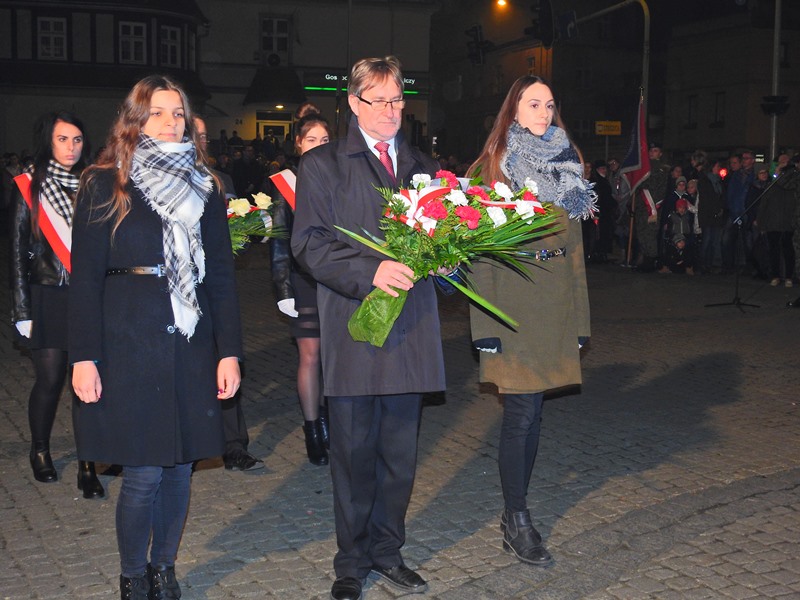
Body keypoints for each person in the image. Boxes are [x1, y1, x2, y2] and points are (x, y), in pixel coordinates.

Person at [70, 75, 243, 599]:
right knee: (144, 473)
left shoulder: (205, 185)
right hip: (129, 344)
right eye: (158, 112)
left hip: (190, 342)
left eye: (178, 112)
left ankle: (164, 567)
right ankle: (132, 573)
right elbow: (85, 278)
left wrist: (229, 352)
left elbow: (221, 277)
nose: (171, 122)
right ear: (136, 119)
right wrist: (84, 356)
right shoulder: (105, 183)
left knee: (181, 471)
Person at [291, 56, 444, 600]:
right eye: (378, 100)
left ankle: (388, 551)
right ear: (354, 104)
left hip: (411, 331)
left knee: (399, 459)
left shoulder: (425, 169)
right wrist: (369, 272)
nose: (390, 110)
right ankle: (351, 562)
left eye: (397, 99)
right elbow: (308, 243)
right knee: (353, 456)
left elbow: (441, 243)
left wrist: (451, 261)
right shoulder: (323, 165)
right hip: (355, 330)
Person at [467, 76, 594, 568]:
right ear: (513, 110)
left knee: (535, 413)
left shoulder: (567, 164)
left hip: (555, 302)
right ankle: (516, 518)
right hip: (512, 305)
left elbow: (576, 250)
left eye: (550, 104)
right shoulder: (492, 169)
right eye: (534, 103)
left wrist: (579, 318)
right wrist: (485, 327)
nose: (544, 112)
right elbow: (478, 256)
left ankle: (516, 512)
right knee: (521, 415)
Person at [10, 111, 105, 499]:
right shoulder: (29, 185)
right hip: (49, 294)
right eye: (63, 139)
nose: (71, 147)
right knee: (50, 380)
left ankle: (88, 463)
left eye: (77, 140)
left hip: (89, 295)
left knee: (89, 380)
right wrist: (22, 310)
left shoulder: (95, 183)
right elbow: (18, 252)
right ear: (48, 141)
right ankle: (40, 449)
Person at [195, 116, 263, 471]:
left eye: (205, 135)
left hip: (214, 287)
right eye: (195, 134)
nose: (201, 141)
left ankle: (234, 446)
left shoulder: (220, 181)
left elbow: (236, 229)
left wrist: (239, 236)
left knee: (226, 360)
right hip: (178, 294)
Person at [271, 111, 332, 466]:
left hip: (336, 279)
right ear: (298, 144)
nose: (318, 146)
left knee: (333, 356)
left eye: (324, 140)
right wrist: (283, 289)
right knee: (310, 356)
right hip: (304, 281)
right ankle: (312, 430)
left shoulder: (338, 177)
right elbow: (279, 241)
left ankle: (329, 420)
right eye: (311, 140)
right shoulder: (286, 184)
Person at [757, 155, 799, 287]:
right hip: (773, 222)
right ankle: (775, 275)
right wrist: (761, 221)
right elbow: (764, 203)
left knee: (788, 249)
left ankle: (789, 276)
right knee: (773, 249)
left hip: (788, 221)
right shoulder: (772, 183)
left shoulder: (794, 181)